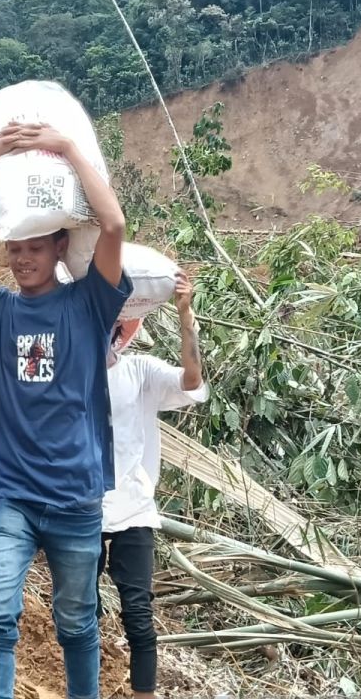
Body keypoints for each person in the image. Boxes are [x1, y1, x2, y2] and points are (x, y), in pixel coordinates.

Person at [0, 120, 131, 699]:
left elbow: (112, 224)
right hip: (9, 493)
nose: (22, 259)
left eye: (34, 247)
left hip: (74, 498)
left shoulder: (90, 303)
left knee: (77, 623)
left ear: (60, 245)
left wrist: (64, 147)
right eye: (15, 249)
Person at [100, 273, 207, 699]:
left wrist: (186, 316)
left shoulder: (140, 371)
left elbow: (192, 381)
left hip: (133, 509)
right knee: (79, 612)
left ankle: (144, 693)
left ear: (120, 331)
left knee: (139, 615)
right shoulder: (68, 375)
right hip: (83, 506)